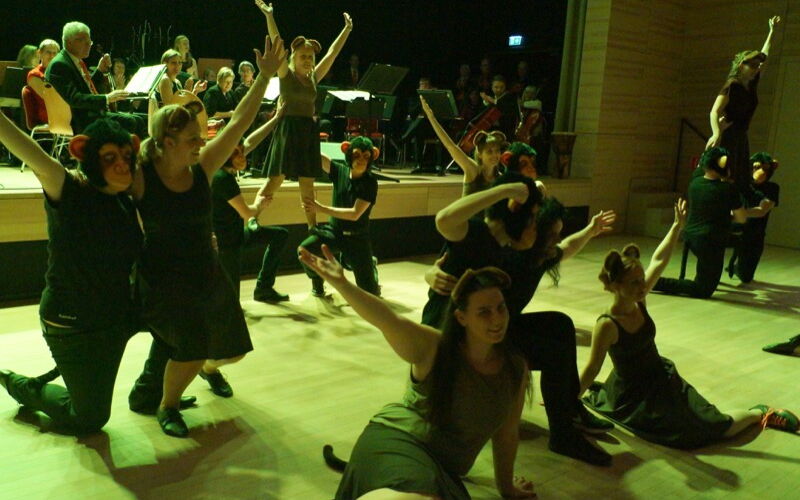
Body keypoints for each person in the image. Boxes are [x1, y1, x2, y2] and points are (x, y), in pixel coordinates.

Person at [130, 34, 286, 437]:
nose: (202, 143)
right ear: (167, 143)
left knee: (232, 350)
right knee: (191, 344)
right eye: (192, 139)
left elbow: (239, 123)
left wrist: (264, 77)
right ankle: (168, 406)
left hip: (206, 273)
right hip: (163, 278)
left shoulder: (202, 168)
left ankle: (187, 373)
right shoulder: (142, 177)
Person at [0, 112, 191, 434]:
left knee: (184, 318)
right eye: (109, 158)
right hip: (76, 325)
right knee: (89, 418)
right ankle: (22, 386)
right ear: (83, 152)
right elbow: (25, 147)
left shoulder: (125, 201)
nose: (122, 165)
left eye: (126, 157)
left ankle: (149, 394)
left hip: (118, 314)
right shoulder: (69, 189)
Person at [299, 246, 537, 500]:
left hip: (441, 468)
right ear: (461, 317)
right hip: (399, 439)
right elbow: (387, 320)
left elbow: (506, 434)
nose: (497, 319)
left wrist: (507, 489)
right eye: (484, 312)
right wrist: (343, 284)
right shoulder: (436, 348)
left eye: (501, 308)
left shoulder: (515, 368)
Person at [423, 173, 617, 466]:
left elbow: (567, 247)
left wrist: (590, 231)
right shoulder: (505, 253)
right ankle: (563, 434)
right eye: (549, 232)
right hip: (466, 335)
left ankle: (569, 408)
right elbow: (449, 237)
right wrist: (431, 274)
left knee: (560, 323)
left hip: (492, 329)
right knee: (552, 352)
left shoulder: (536, 253)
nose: (556, 241)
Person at [580, 201, 799, 448]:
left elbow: (659, 260)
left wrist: (676, 227)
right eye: (634, 282)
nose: (643, 286)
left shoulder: (639, 300)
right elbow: (592, 368)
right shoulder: (607, 325)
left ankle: (761, 412)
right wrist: (567, 403)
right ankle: (758, 414)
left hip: (661, 381)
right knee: (691, 434)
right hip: (633, 396)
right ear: (615, 285)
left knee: (715, 424)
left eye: (642, 280)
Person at [256, 0, 353, 228]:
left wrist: (347, 30)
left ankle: (313, 228)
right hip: (288, 130)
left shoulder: (314, 78)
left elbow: (332, 54)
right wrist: (269, 16)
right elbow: (277, 43)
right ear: (293, 57)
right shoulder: (286, 75)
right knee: (274, 182)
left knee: (307, 186)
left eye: (310, 57)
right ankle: (251, 219)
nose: (308, 60)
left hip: (307, 131)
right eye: (303, 56)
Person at [653, 147, 772, 298]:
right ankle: (655, 282)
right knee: (703, 290)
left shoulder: (695, 181)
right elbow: (742, 218)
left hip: (690, 235)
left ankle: (654, 280)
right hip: (711, 242)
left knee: (708, 272)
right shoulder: (728, 189)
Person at [212, 104, 290, 303]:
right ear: (226, 153)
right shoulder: (222, 178)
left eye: (241, 152)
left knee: (280, 235)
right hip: (226, 246)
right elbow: (247, 213)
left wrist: (275, 119)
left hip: (236, 236)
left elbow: (251, 140)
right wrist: (260, 204)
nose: (242, 156)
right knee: (231, 302)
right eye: (237, 153)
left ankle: (263, 288)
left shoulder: (225, 169)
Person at [706, 15, 781, 194]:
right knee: (727, 176)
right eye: (752, 64)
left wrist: (771, 32)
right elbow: (714, 111)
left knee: (740, 178)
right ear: (741, 66)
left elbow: (765, 58)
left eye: (757, 65)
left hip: (741, 135)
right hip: (729, 134)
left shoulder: (751, 83)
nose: (757, 67)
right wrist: (716, 132)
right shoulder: (732, 85)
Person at [299, 137, 381, 298]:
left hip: (357, 239)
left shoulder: (370, 183)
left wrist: (321, 208)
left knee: (370, 293)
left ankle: (371, 267)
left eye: (366, 156)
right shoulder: (340, 171)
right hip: (334, 233)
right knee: (304, 251)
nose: (361, 160)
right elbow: (317, 156)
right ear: (348, 153)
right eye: (357, 155)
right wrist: (303, 137)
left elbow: (354, 214)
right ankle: (317, 280)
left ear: (372, 157)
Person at [45, 21, 146, 136]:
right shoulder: (60, 65)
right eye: (84, 41)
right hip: (80, 120)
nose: (89, 45)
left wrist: (99, 71)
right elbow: (75, 99)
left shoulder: (71, 60)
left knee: (139, 119)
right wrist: (107, 98)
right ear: (69, 42)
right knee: (132, 122)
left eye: (89, 42)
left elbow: (84, 88)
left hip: (88, 115)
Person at [420, 95, 506, 196]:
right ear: (480, 154)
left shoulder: (500, 178)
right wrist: (431, 117)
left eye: (497, 151)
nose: (495, 155)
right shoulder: (473, 170)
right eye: (489, 152)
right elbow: (451, 146)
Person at [727, 152, 780, 283]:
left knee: (746, 277)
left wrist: (741, 213)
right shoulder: (743, 183)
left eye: (764, 168)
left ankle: (737, 267)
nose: (760, 171)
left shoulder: (772, 188)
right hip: (735, 226)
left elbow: (762, 211)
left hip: (755, 234)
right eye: (756, 167)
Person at [26, 39, 61, 126]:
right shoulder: (34, 74)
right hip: (49, 116)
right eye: (48, 52)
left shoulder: (60, 72)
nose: (52, 56)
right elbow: (50, 98)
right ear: (39, 53)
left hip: (63, 112)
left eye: (54, 53)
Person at [480, 75, 519, 140]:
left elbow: (508, 114)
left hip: (504, 132)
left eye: (502, 87)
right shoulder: (490, 97)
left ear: (505, 87)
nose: (499, 89)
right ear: (492, 88)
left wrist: (493, 101)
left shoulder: (510, 98)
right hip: (489, 130)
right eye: (496, 87)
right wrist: (486, 102)